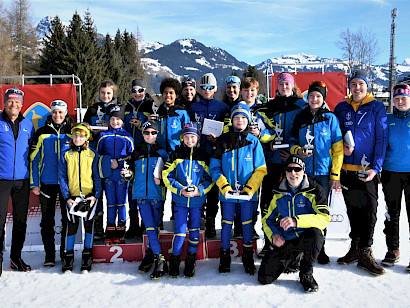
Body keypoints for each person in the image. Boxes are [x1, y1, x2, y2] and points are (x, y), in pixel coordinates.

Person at [334, 69, 388, 276]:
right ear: (349, 86)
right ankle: (355, 248)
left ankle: (366, 250)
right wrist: (341, 148)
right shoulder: (341, 107)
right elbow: (335, 135)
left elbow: (381, 139)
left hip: (368, 171)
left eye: (361, 84)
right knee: (353, 210)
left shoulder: (376, 107)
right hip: (347, 169)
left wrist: (376, 167)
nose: (357, 88)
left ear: (367, 86)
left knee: (369, 211)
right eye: (354, 84)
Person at [258, 155, 330, 293]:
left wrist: (297, 221)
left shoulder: (315, 190)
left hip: (306, 237)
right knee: (264, 278)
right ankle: (292, 258)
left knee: (316, 233)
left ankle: (306, 273)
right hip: (286, 239)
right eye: (289, 169)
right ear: (285, 172)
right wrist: (274, 235)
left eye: (297, 169)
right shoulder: (277, 192)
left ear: (303, 171)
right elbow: (267, 220)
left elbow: (324, 218)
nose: (293, 173)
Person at [290, 80, 343, 264]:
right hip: (303, 174)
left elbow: (338, 150)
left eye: (318, 96)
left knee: (321, 212)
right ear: (307, 97)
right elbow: (291, 143)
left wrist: (335, 175)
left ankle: (319, 248)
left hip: (323, 174)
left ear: (323, 98)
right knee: (302, 209)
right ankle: (300, 249)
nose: (314, 99)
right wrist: (299, 152)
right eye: (311, 95)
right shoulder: (300, 117)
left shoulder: (330, 119)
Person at [210, 103, 267, 275]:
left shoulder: (253, 141)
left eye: (243, 117)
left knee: (247, 224)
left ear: (248, 120)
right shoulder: (223, 140)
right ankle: (225, 255)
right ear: (232, 120)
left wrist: (250, 188)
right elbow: (215, 167)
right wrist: (224, 186)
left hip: (248, 194)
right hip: (227, 193)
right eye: (237, 117)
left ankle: (248, 255)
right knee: (226, 224)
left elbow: (261, 169)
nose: (240, 120)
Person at [258, 72, 305, 258]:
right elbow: (264, 130)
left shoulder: (301, 105)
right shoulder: (270, 106)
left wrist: (293, 152)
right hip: (272, 162)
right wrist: (268, 142)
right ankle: (270, 241)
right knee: (268, 204)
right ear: (276, 87)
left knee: (292, 204)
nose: (284, 87)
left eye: (287, 84)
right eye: (281, 84)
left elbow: (306, 131)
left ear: (292, 85)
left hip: (292, 164)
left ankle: (294, 243)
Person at [162, 122, 214, 278]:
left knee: (194, 232)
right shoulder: (175, 155)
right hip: (180, 201)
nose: (189, 140)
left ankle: (191, 261)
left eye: (193, 137)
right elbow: (166, 175)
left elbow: (210, 178)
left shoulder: (204, 156)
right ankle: (175, 261)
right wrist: (180, 189)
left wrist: (200, 190)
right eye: (186, 137)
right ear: (182, 138)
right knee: (179, 232)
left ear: (197, 138)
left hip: (197, 203)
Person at [30, 100, 73, 267]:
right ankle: (49, 255)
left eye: (61, 113)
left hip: (66, 184)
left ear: (65, 114)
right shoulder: (41, 133)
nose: (57, 115)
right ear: (51, 113)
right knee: (47, 221)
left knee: (66, 219)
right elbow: (34, 159)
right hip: (46, 183)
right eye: (55, 112)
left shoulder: (71, 132)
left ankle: (64, 253)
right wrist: (35, 183)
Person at [124, 120, 169, 280]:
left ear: (157, 134)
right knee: (149, 227)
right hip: (141, 195)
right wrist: (127, 174)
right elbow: (129, 171)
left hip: (157, 195)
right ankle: (160, 258)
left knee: (154, 227)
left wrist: (162, 181)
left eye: (153, 133)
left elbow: (169, 174)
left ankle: (151, 255)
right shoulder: (136, 152)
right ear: (142, 134)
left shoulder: (163, 153)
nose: (150, 135)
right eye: (146, 132)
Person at [188, 72, 229, 238]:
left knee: (212, 191)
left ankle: (211, 221)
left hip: (214, 153)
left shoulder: (222, 107)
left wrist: (218, 138)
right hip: (198, 153)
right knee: (197, 186)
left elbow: (226, 130)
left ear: (215, 88)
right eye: (204, 87)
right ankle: (197, 221)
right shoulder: (193, 107)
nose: (207, 90)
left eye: (210, 87)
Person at [0, 87, 35, 276]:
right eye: (10, 101)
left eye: (17, 102)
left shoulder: (28, 124)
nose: (13, 105)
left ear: (22, 105)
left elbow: (32, 152)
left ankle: (16, 257)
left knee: (20, 221)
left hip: (22, 180)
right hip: (1, 180)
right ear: (4, 103)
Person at [59, 123, 102, 272]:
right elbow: (62, 177)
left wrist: (95, 196)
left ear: (86, 138)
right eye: (76, 135)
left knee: (88, 226)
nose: (78, 138)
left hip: (89, 197)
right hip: (72, 197)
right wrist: (67, 197)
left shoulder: (92, 154)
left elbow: (96, 176)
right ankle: (68, 256)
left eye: (82, 135)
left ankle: (87, 254)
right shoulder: (66, 153)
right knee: (72, 227)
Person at [83, 80, 120, 240]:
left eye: (109, 93)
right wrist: (92, 131)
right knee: (96, 193)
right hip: (95, 157)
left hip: (112, 157)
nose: (106, 96)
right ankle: (97, 229)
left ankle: (114, 226)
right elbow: (84, 131)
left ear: (113, 94)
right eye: (103, 92)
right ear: (99, 92)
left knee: (113, 195)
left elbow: (120, 128)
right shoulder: (92, 109)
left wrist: (110, 127)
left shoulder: (117, 109)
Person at [380, 83, 410, 270]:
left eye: (403, 98)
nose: (399, 102)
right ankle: (393, 250)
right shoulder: (387, 119)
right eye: (396, 99)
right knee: (392, 214)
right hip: (391, 172)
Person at [97, 104, 134, 245]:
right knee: (110, 202)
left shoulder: (127, 136)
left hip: (121, 174)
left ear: (122, 120)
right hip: (108, 175)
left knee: (121, 202)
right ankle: (110, 229)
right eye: (112, 119)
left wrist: (118, 162)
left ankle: (121, 229)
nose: (115, 122)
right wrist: (107, 163)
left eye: (118, 119)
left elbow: (131, 155)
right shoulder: (103, 135)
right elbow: (99, 155)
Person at [124, 79, 152, 239]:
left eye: (140, 90)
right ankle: (133, 223)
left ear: (144, 90)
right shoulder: (126, 107)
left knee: (144, 187)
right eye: (134, 90)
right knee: (131, 188)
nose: (137, 93)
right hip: (129, 154)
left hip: (144, 152)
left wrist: (142, 125)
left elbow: (154, 127)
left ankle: (145, 223)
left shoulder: (150, 106)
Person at [141, 77, 190, 154]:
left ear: (176, 95)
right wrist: (149, 121)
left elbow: (188, 131)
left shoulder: (181, 113)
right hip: (159, 151)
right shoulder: (157, 111)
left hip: (176, 152)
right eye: (165, 92)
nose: (168, 95)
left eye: (171, 93)